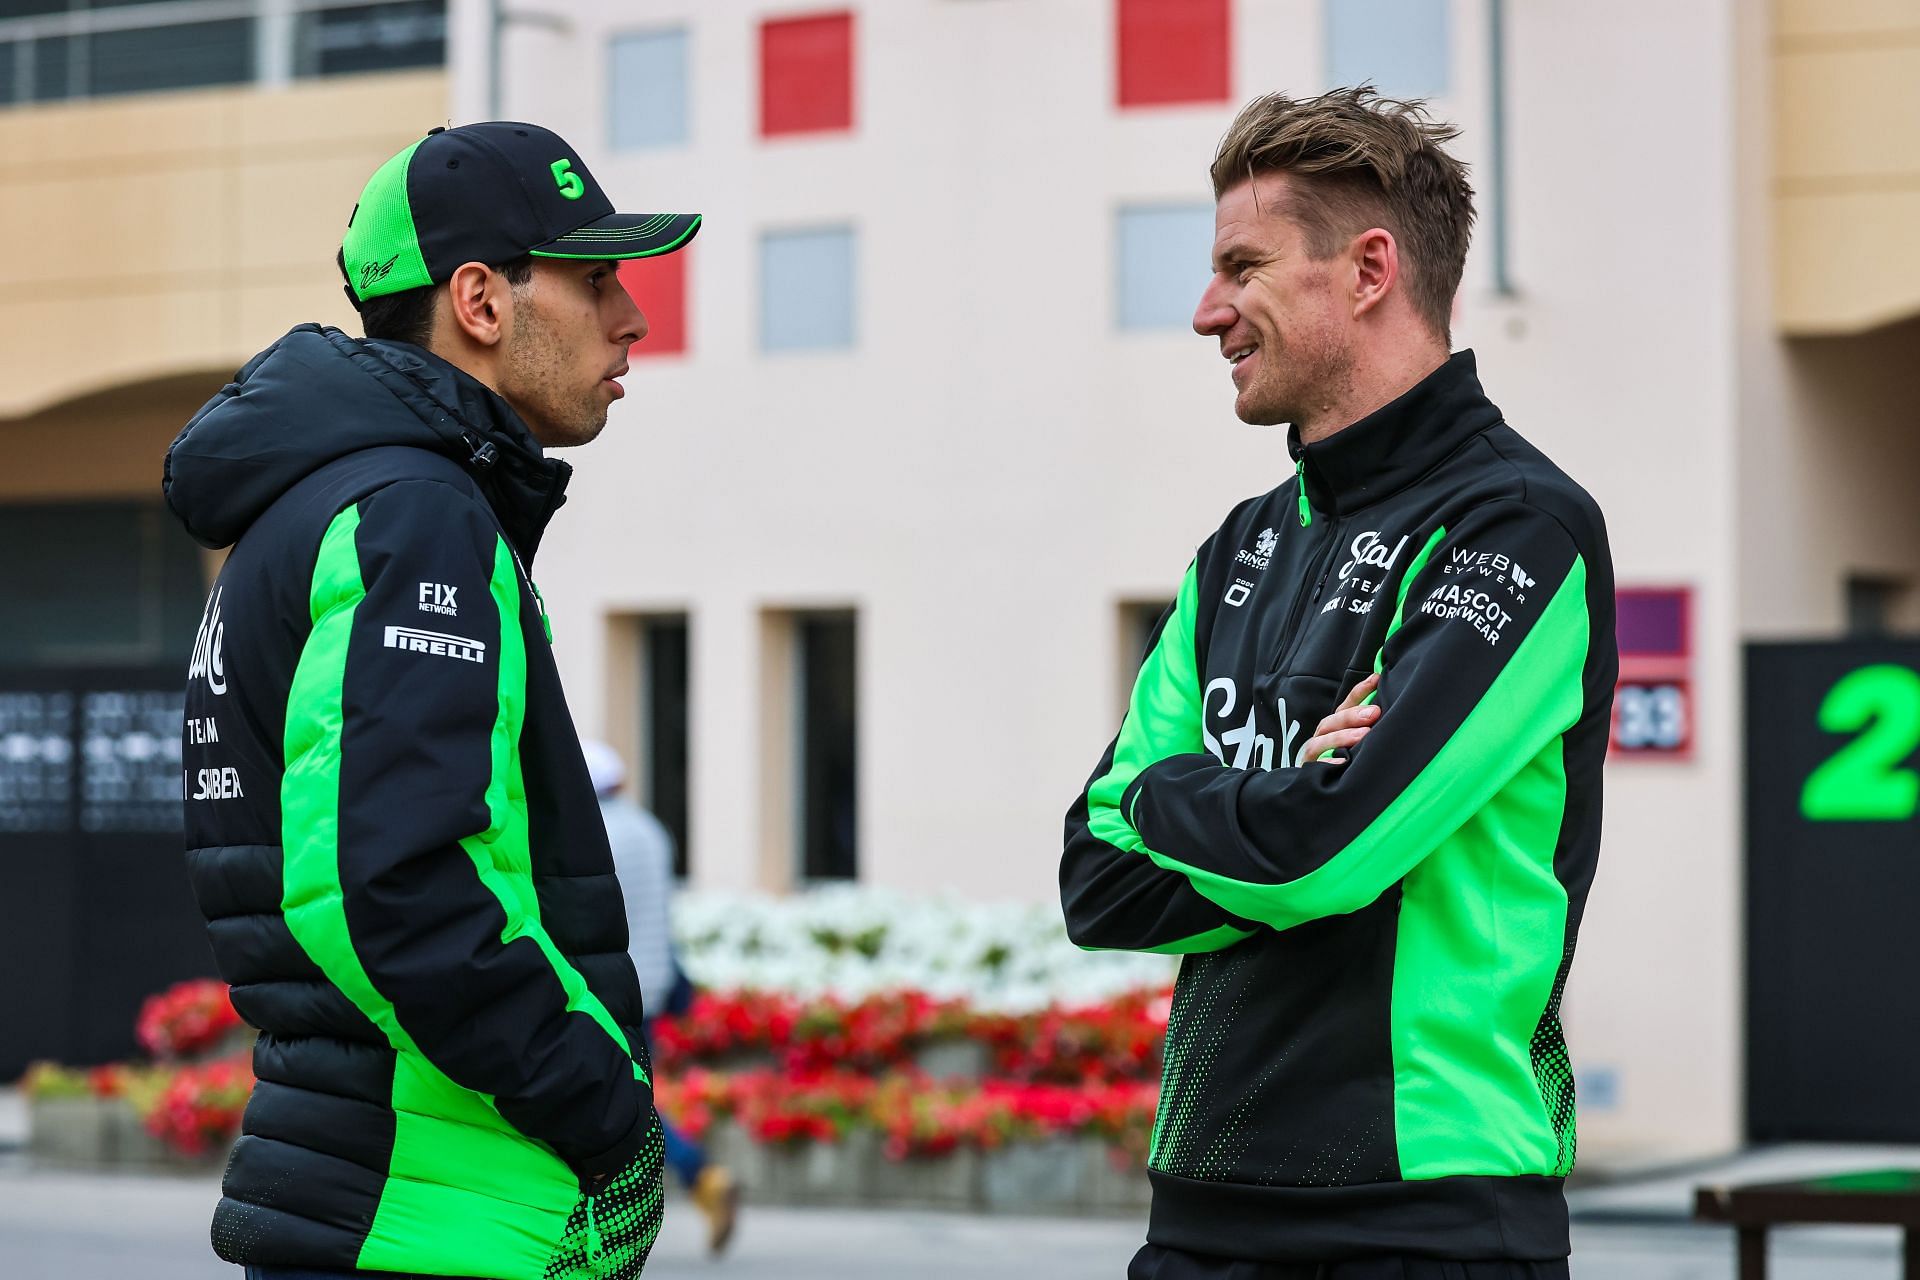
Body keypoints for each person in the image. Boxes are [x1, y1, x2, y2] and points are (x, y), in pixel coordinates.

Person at [1059, 87, 1616, 1280]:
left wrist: (1169, 793)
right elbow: (1093, 877)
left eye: (1242, 266)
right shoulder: (1238, 547)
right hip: (1199, 1206)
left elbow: (1325, 851)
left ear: (1368, 269)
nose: (1209, 311)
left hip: (1428, 1211)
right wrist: (1274, 802)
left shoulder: (1517, 526)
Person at [166, 122, 700, 1280]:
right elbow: (387, 883)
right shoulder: (416, 512)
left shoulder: (313, 508)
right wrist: (604, 1103)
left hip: (370, 1188)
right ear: (480, 300)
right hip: (434, 1212)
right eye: (597, 279)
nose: (633, 320)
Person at [580, 741, 740, 1255]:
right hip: (651, 985)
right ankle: (696, 1179)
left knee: (619, 1103)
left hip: (610, 989)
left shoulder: (596, 833)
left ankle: (700, 1173)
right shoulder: (649, 829)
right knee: (631, 1097)